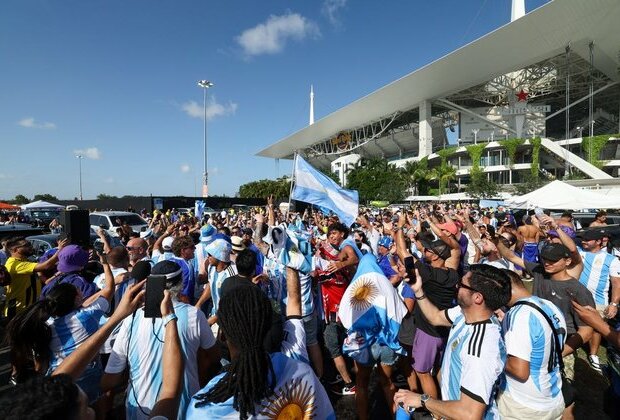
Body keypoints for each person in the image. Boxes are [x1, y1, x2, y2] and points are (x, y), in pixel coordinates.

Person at [186, 270, 335, 419]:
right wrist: (291, 261)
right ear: (266, 327)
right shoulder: (300, 370)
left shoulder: (203, 409)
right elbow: (294, 306)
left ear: (223, 336)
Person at [101, 260, 220, 419]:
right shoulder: (194, 315)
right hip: (183, 410)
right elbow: (214, 355)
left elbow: (109, 380)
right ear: (181, 284)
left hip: (139, 410)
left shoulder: (131, 319)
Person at [394, 264, 511, 419]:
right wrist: (418, 290)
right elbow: (435, 317)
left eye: (461, 285)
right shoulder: (464, 313)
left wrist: (422, 400)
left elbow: (470, 414)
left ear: (477, 297)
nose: (456, 286)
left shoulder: (481, 347)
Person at [6, 250, 116, 402]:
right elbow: (109, 289)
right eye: (80, 293)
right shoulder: (86, 317)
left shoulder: (45, 322)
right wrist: (105, 263)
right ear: (77, 300)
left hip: (55, 374)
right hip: (84, 375)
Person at [497, 269, 566, 419]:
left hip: (524, 405)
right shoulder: (548, 305)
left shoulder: (519, 315)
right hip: (552, 395)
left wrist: (492, 354)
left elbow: (519, 371)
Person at [577, 228, 620, 372]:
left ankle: (593, 354)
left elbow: (616, 284)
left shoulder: (611, 260)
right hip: (575, 296)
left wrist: (614, 304)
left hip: (598, 300)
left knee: (596, 327)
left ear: (598, 242)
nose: (583, 241)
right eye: (582, 239)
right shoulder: (579, 252)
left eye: (587, 239)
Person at [4, 236, 68, 319]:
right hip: (18, 311)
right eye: (26, 245)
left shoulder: (24, 261)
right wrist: (59, 251)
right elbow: (46, 266)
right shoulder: (15, 265)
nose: (31, 247)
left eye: (30, 244)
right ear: (15, 250)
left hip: (29, 309)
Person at [170, 235, 197, 304]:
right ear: (183, 250)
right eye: (192, 247)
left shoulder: (169, 261)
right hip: (183, 305)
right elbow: (187, 290)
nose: (195, 248)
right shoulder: (187, 267)